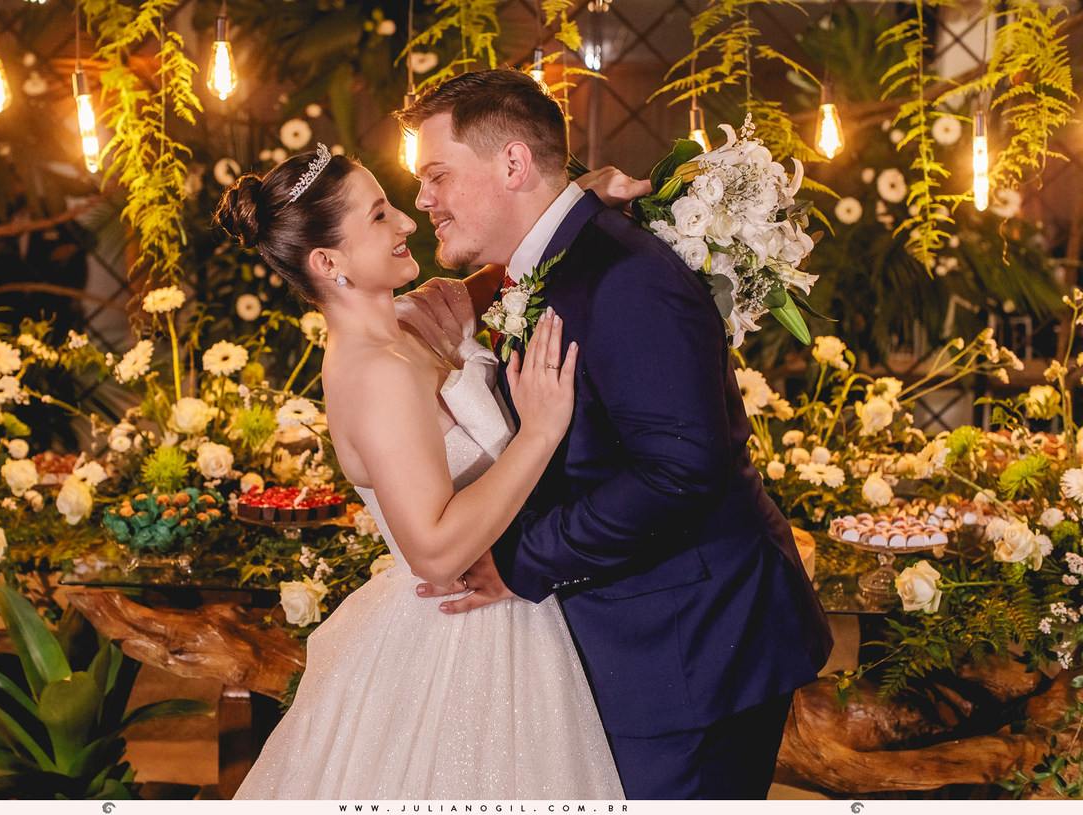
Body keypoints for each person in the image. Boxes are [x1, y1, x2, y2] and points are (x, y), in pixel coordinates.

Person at [398, 69, 834, 800]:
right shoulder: (555, 262)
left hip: (690, 650)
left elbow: (680, 472)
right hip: (638, 638)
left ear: (513, 164)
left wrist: (518, 559)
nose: (422, 199)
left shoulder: (624, 275)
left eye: (437, 174)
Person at [217, 144, 633, 798]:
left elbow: (518, 268)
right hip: (464, 643)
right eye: (380, 216)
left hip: (514, 611)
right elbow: (436, 550)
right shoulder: (373, 374)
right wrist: (543, 429)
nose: (408, 222)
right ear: (328, 262)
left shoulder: (412, 323)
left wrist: (580, 202)